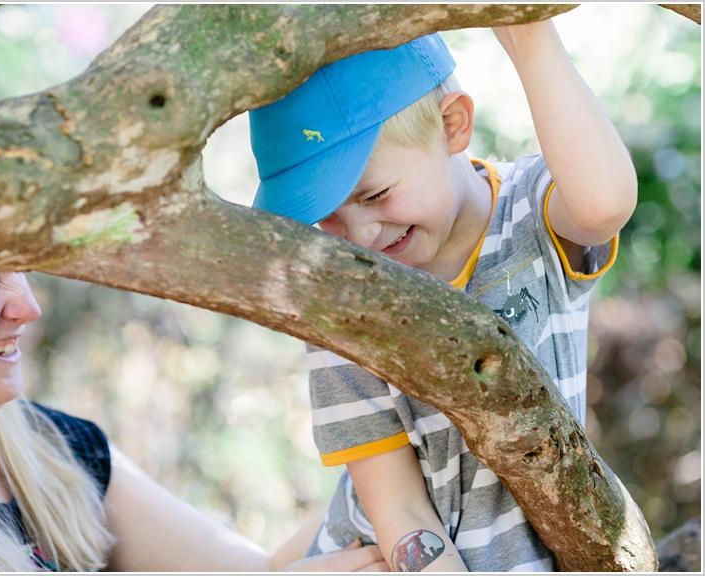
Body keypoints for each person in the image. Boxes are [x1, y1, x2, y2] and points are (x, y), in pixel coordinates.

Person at [248, 22, 636, 572]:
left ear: (453, 125)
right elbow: (400, 511)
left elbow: (603, 204)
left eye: (376, 194)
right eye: (325, 216)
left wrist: (527, 33)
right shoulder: (343, 299)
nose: (361, 236)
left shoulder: (530, 214)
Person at [0, 270, 387, 572]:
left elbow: (246, 569)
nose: (29, 306)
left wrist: (389, 466)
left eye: (21, 269)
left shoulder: (57, 448)